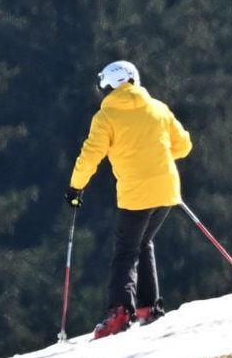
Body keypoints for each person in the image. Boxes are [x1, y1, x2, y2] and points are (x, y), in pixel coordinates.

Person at [67, 59, 193, 340]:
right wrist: (155, 160)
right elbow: (183, 145)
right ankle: (150, 306)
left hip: (136, 195)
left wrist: (75, 187)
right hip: (167, 190)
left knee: (126, 251)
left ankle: (121, 312)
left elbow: (90, 157)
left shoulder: (106, 117)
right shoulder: (158, 108)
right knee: (143, 242)